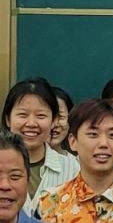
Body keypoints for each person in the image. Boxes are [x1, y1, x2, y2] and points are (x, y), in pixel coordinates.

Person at [6, 78, 81, 211]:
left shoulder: (72, 168)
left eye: (40, 116)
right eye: (22, 115)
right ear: (8, 119)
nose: (31, 123)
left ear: (53, 121)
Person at [50, 86, 74, 154]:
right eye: (50, 116)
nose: (55, 124)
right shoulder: (22, 158)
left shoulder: (76, 160)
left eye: (60, 116)